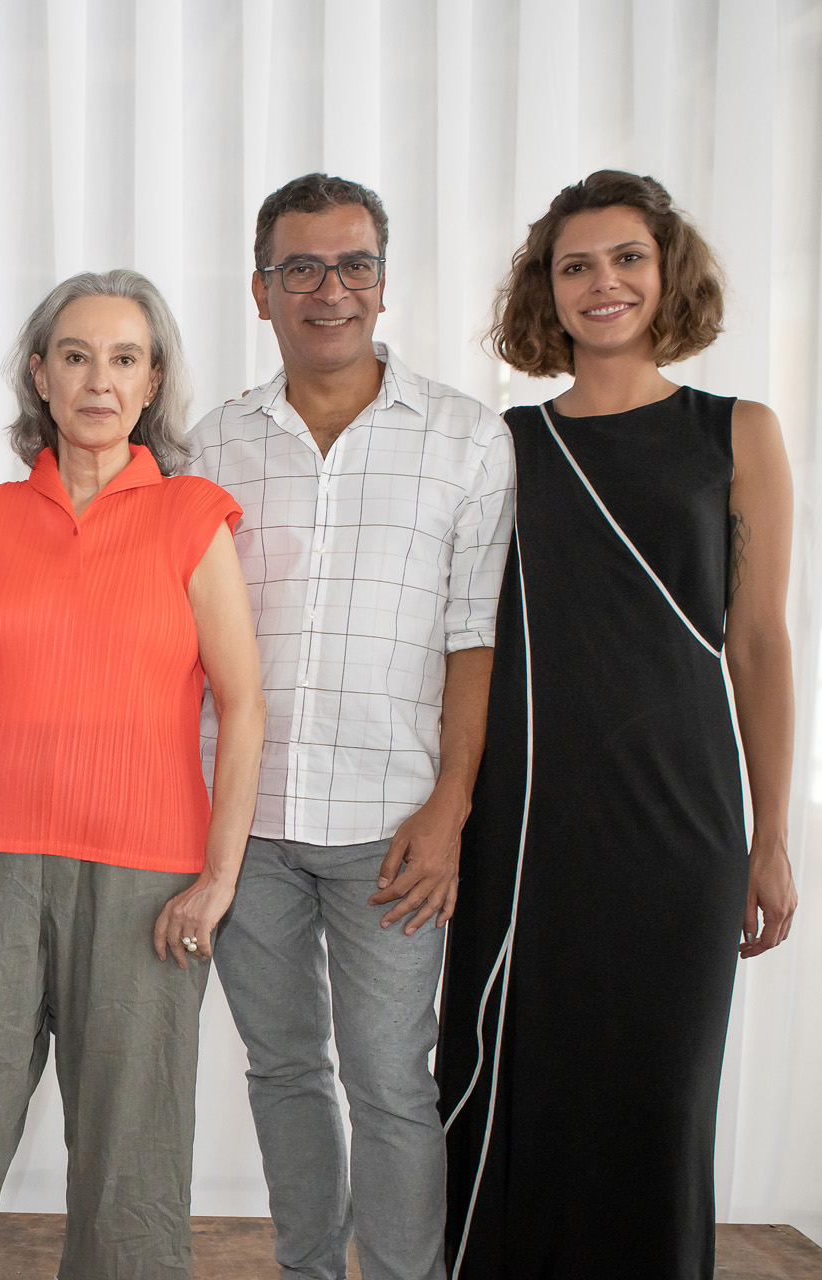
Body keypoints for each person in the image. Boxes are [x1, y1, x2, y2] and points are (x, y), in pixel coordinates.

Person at [436, 170, 798, 1280]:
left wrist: (771, 831)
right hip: (529, 831)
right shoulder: (506, 444)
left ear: (666, 269)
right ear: (547, 289)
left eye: (627, 257)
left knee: (658, 1101)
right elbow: (463, 641)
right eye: (576, 264)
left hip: (682, 828)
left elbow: (761, 644)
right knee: (504, 1086)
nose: (604, 283)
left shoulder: (738, 431)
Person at [0, 270, 265, 1280]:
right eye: (77, 355)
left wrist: (218, 879)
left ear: (152, 381)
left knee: (132, 1154)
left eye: (124, 357)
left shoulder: (193, 517)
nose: (100, 378)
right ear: (40, 375)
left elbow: (245, 702)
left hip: (150, 876)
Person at [185, 173, 516, 1280]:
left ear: (383, 280)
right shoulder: (209, 444)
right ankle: (309, 1268)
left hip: (393, 824)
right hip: (247, 824)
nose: (330, 289)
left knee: (390, 1080)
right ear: (260, 288)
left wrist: (450, 807)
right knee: (282, 1069)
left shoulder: (468, 440)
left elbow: (475, 639)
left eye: (354, 264)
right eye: (302, 268)